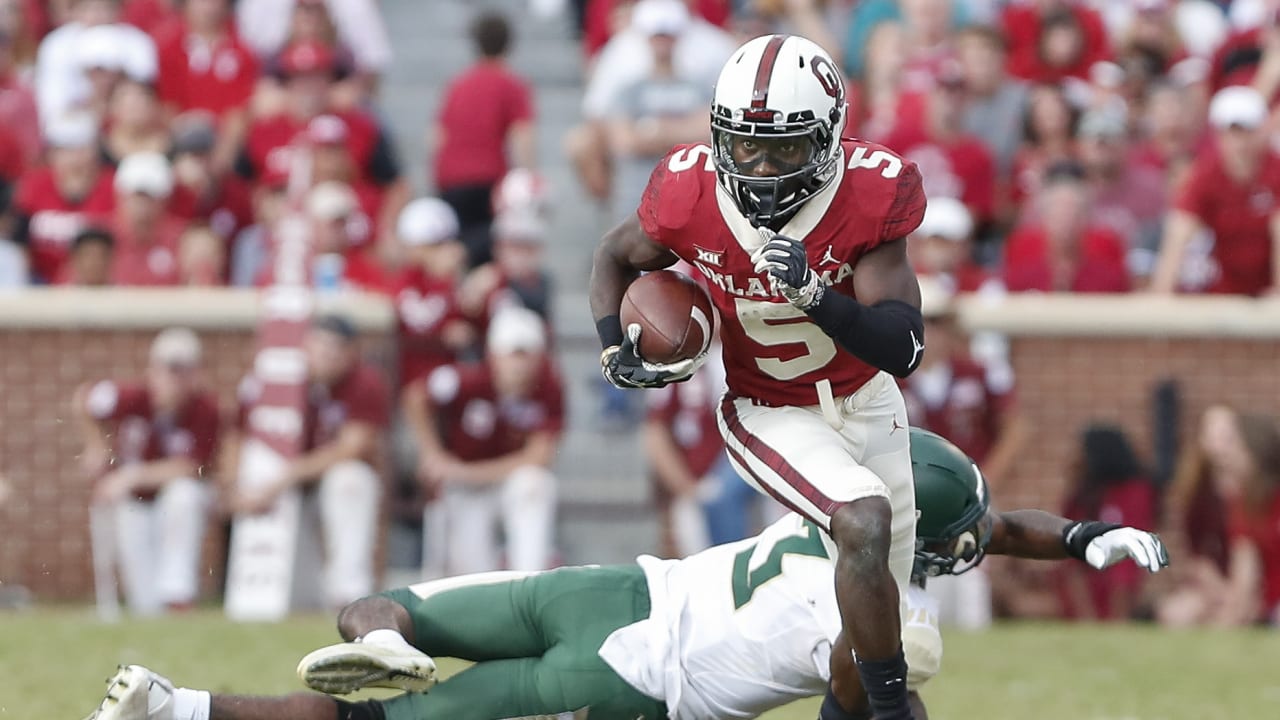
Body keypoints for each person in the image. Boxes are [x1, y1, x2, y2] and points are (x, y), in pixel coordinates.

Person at [83, 428, 1170, 720]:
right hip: (626, 685)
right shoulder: (887, 616)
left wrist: (1078, 537)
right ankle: (179, 711)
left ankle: (380, 641)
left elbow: (968, 526)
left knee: (393, 607)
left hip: (613, 585)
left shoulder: (842, 507)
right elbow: (867, 691)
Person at [589, 33, 928, 720]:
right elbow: (613, 255)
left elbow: (906, 346)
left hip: (869, 399)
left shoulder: (868, 192)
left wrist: (817, 299)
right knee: (862, 523)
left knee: (871, 646)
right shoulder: (689, 192)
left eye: (786, 148)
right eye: (746, 146)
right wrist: (613, 347)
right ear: (720, 137)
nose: (763, 166)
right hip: (768, 408)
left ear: (829, 138)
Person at [226, 314, 388, 609]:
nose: (327, 355)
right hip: (286, 489)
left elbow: (352, 447)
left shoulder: (364, 383)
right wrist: (236, 486)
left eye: (336, 347)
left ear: (351, 352)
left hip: (318, 481)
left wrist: (287, 476)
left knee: (350, 479)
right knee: (298, 594)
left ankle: (350, 595)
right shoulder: (276, 380)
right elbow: (238, 436)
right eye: (320, 345)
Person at [401, 305, 563, 575]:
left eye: (527, 355)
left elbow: (539, 456)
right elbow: (415, 396)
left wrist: (463, 472)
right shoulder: (467, 379)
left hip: (499, 480)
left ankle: (530, 580)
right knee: (472, 572)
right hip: (465, 489)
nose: (519, 365)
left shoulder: (549, 387)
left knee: (535, 484)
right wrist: (432, 452)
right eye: (513, 355)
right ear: (494, 355)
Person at [72, 327, 221, 615]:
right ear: (152, 370)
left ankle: (179, 594)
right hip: (135, 500)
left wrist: (130, 476)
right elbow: (84, 399)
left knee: (184, 496)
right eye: (169, 370)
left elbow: (192, 467)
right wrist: (96, 445)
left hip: (169, 496)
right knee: (145, 599)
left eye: (183, 371)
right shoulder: (129, 396)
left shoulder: (206, 409)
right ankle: (150, 608)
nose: (175, 380)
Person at [1150, 85, 1280, 297]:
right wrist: (1161, 297)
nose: (1240, 141)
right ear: (1219, 134)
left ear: (1260, 130)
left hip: (1268, 291)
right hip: (1226, 289)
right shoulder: (1207, 174)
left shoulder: (1276, 171)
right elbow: (1179, 230)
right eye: (1232, 131)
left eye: (1247, 130)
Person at [432, 10, 535, 269]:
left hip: (450, 177)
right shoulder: (511, 84)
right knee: (487, 251)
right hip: (488, 176)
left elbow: (437, 135)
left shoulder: (458, 83)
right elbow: (522, 134)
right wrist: (527, 176)